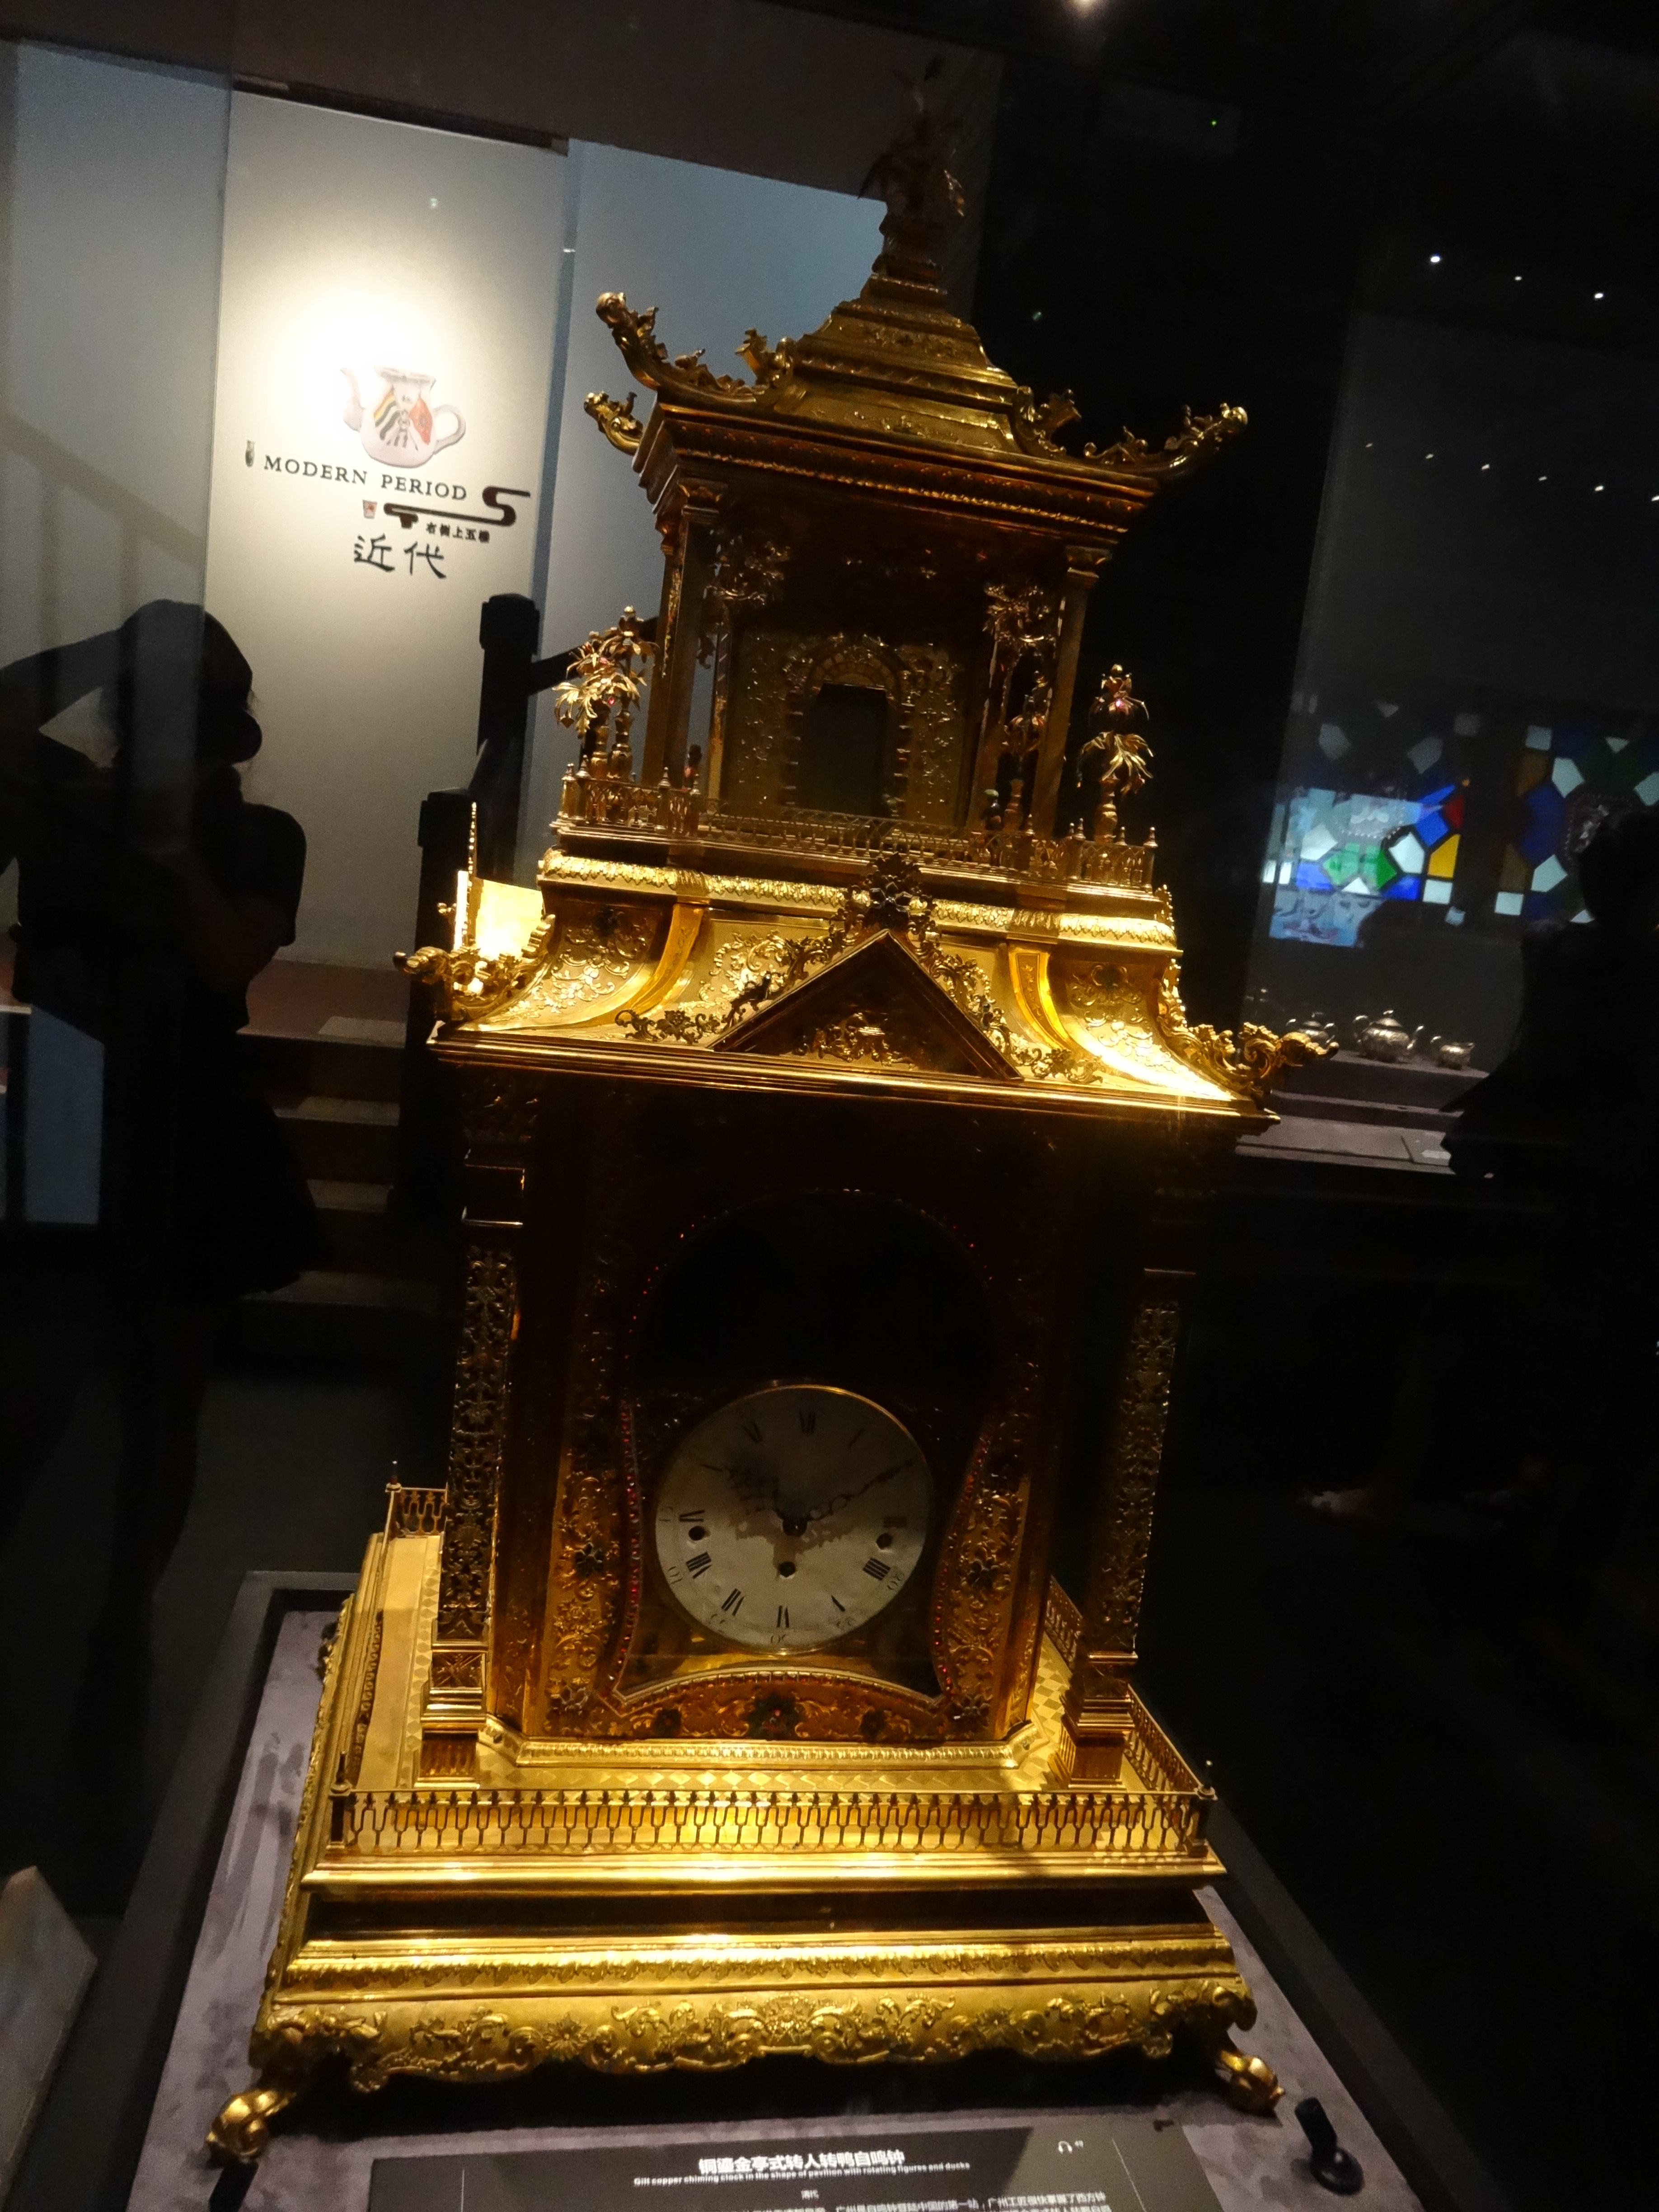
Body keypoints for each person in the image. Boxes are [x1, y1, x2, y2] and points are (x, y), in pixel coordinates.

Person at [0, 602, 326, 1593]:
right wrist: (129, 638)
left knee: (160, 1400)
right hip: (71, 1104)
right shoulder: (62, 799)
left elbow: (227, 958)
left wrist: (174, 845)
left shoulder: (260, 835)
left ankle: (122, 1623)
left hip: (188, 1119)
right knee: (29, 1386)